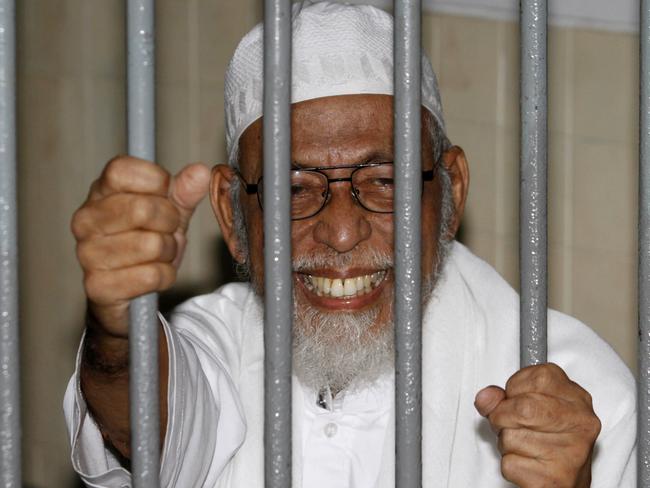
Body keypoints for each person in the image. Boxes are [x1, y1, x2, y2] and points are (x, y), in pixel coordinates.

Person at [64, 2, 635, 487]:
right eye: (294, 188)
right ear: (233, 213)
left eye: (385, 182)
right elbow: (145, 416)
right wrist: (118, 327)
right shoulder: (215, 342)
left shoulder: (570, 388)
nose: (341, 232)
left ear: (452, 192)